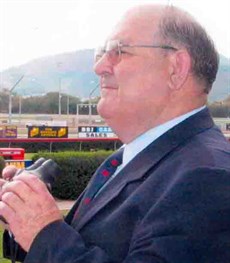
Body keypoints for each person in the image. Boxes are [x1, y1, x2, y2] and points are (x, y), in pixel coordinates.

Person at [0, 4, 230, 263]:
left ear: (176, 68)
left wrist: (45, 232)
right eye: (102, 53)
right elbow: (91, 241)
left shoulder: (208, 179)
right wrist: (22, 212)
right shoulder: (128, 158)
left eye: (118, 51)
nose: (99, 66)